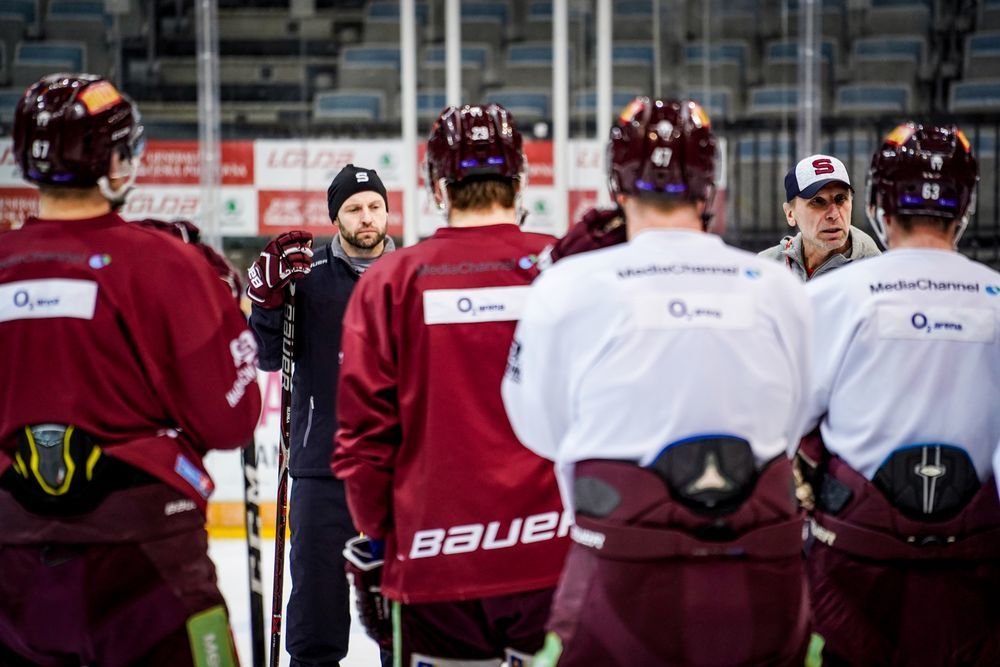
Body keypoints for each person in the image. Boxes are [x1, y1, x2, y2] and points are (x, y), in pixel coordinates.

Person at [501, 97, 813, 666]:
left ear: (617, 187)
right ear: (709, 187)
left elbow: (538, 426)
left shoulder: (569, 285)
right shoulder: (777, 287)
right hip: (762, 574)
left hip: (620, 575)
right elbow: (794, 422)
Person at [0, 73, 261, 666]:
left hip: (10, 563)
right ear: (116, 160)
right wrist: (228, 315)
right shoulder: (165, 264)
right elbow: (231, 419)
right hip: (144, 561)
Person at [332, 103, 570, 666]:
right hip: (556, 560)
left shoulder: (391, 279)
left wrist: (381, 539)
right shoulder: (564, 265)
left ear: (437, 186)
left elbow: (362, 438)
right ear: (520, 179)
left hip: (435, 563)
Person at [799, 122, 1000, 666]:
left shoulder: (832, 296)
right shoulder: (997, 299)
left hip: (858, 561)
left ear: (879, 204)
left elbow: (784, 422)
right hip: (975, 565)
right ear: (965, 206)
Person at [246, 164, 395, 666]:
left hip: (400, 470)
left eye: (374, 205)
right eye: (354, 208)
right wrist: (264, 300)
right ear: (337, 218)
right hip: (321, 469)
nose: (366, 216)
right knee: (315, 621)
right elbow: (267, 356)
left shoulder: (410, 274)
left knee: (406, 618)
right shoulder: (305, 279)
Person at [760, 153, 881, 279]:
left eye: (840, 199)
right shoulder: (766, 267)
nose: (834, 214)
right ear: (790, 214)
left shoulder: (875, 274)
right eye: (818, 201)